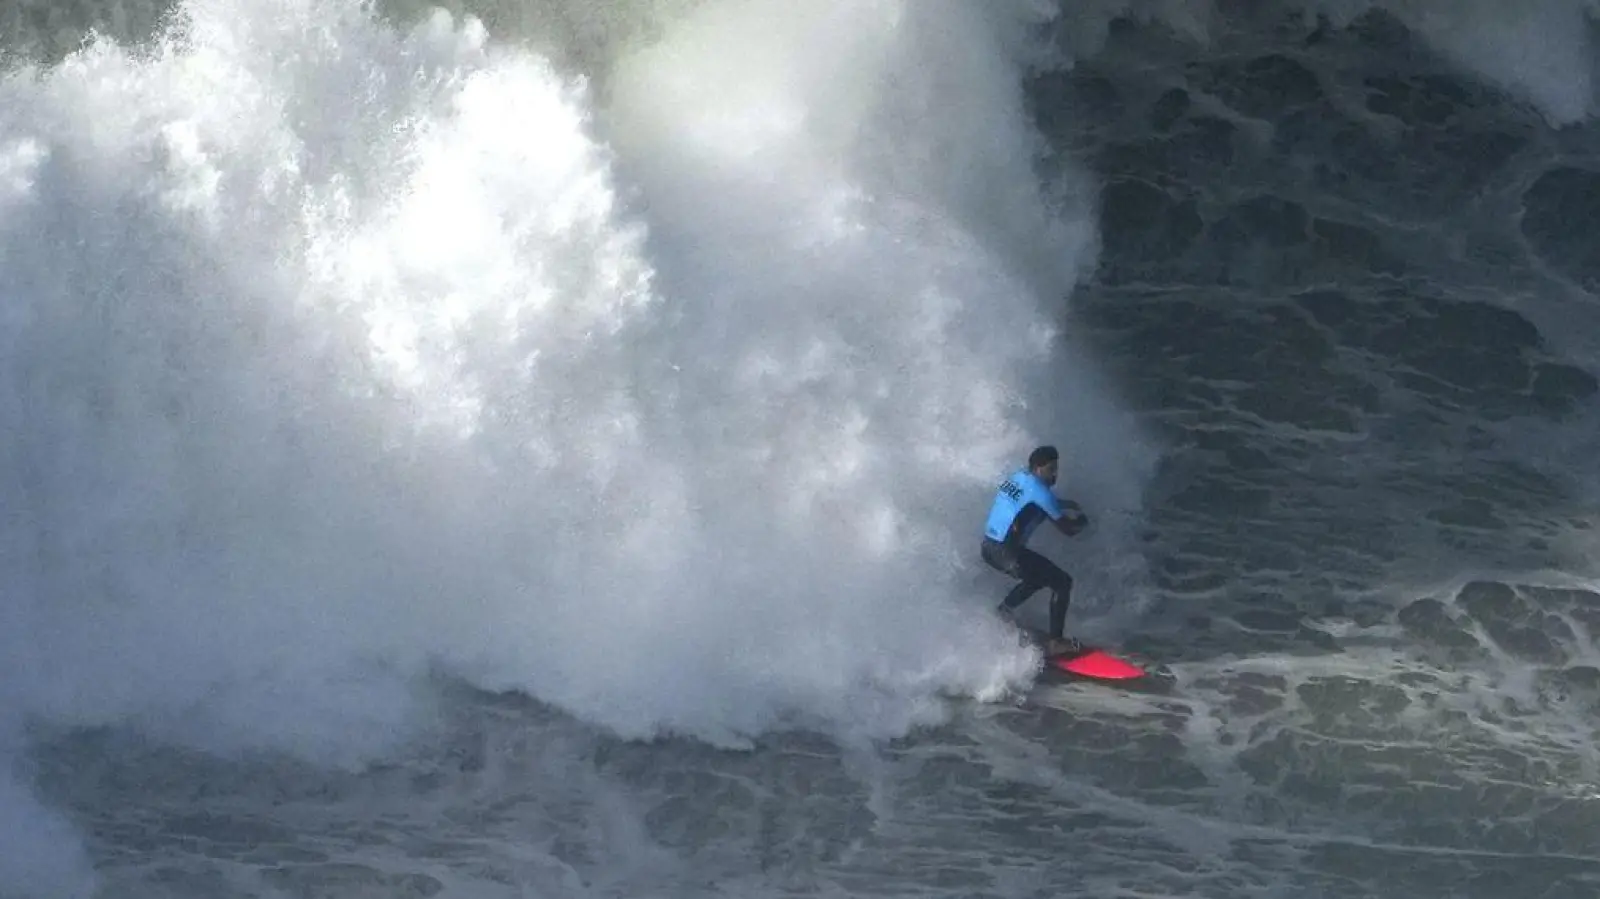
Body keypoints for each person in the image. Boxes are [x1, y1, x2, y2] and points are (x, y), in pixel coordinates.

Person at [980, 445, 1089, 656]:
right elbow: (1068, 530)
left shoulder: (1018, 476)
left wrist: (1063, 503)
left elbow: (1029, 500)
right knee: (1062, 582)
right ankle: (1056, 642)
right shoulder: (1041, 493)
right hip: (1006, 553)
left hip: (989, 547)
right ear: (1038, 468)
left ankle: (1003, 611)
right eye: (1051, 469)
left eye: (1057, 468)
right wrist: (1082, 522)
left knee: (1036, 578)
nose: (1055, 474)